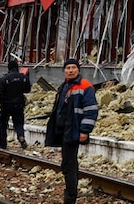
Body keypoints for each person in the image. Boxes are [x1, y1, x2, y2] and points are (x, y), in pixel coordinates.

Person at [45, 58, 97, 204]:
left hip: (73, 131)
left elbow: (91, 110)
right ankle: (70, 194)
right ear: (64, 71)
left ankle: (70, 197)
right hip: (63, 131)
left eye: (73, 67)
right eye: (68, 68)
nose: (71, 70)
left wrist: (85, 130)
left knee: (69, 165)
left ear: (78, 70)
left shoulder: (85, 86)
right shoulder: (64, 86)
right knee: (67, 164)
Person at [0, 58, 32, 149]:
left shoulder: (4, 79)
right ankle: (21, 136)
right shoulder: (23, 78)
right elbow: (28, 90)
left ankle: (3, 144)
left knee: (3, 123)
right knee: (19, 122)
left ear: (8, 68)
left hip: (6, 105)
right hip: (19, 104)